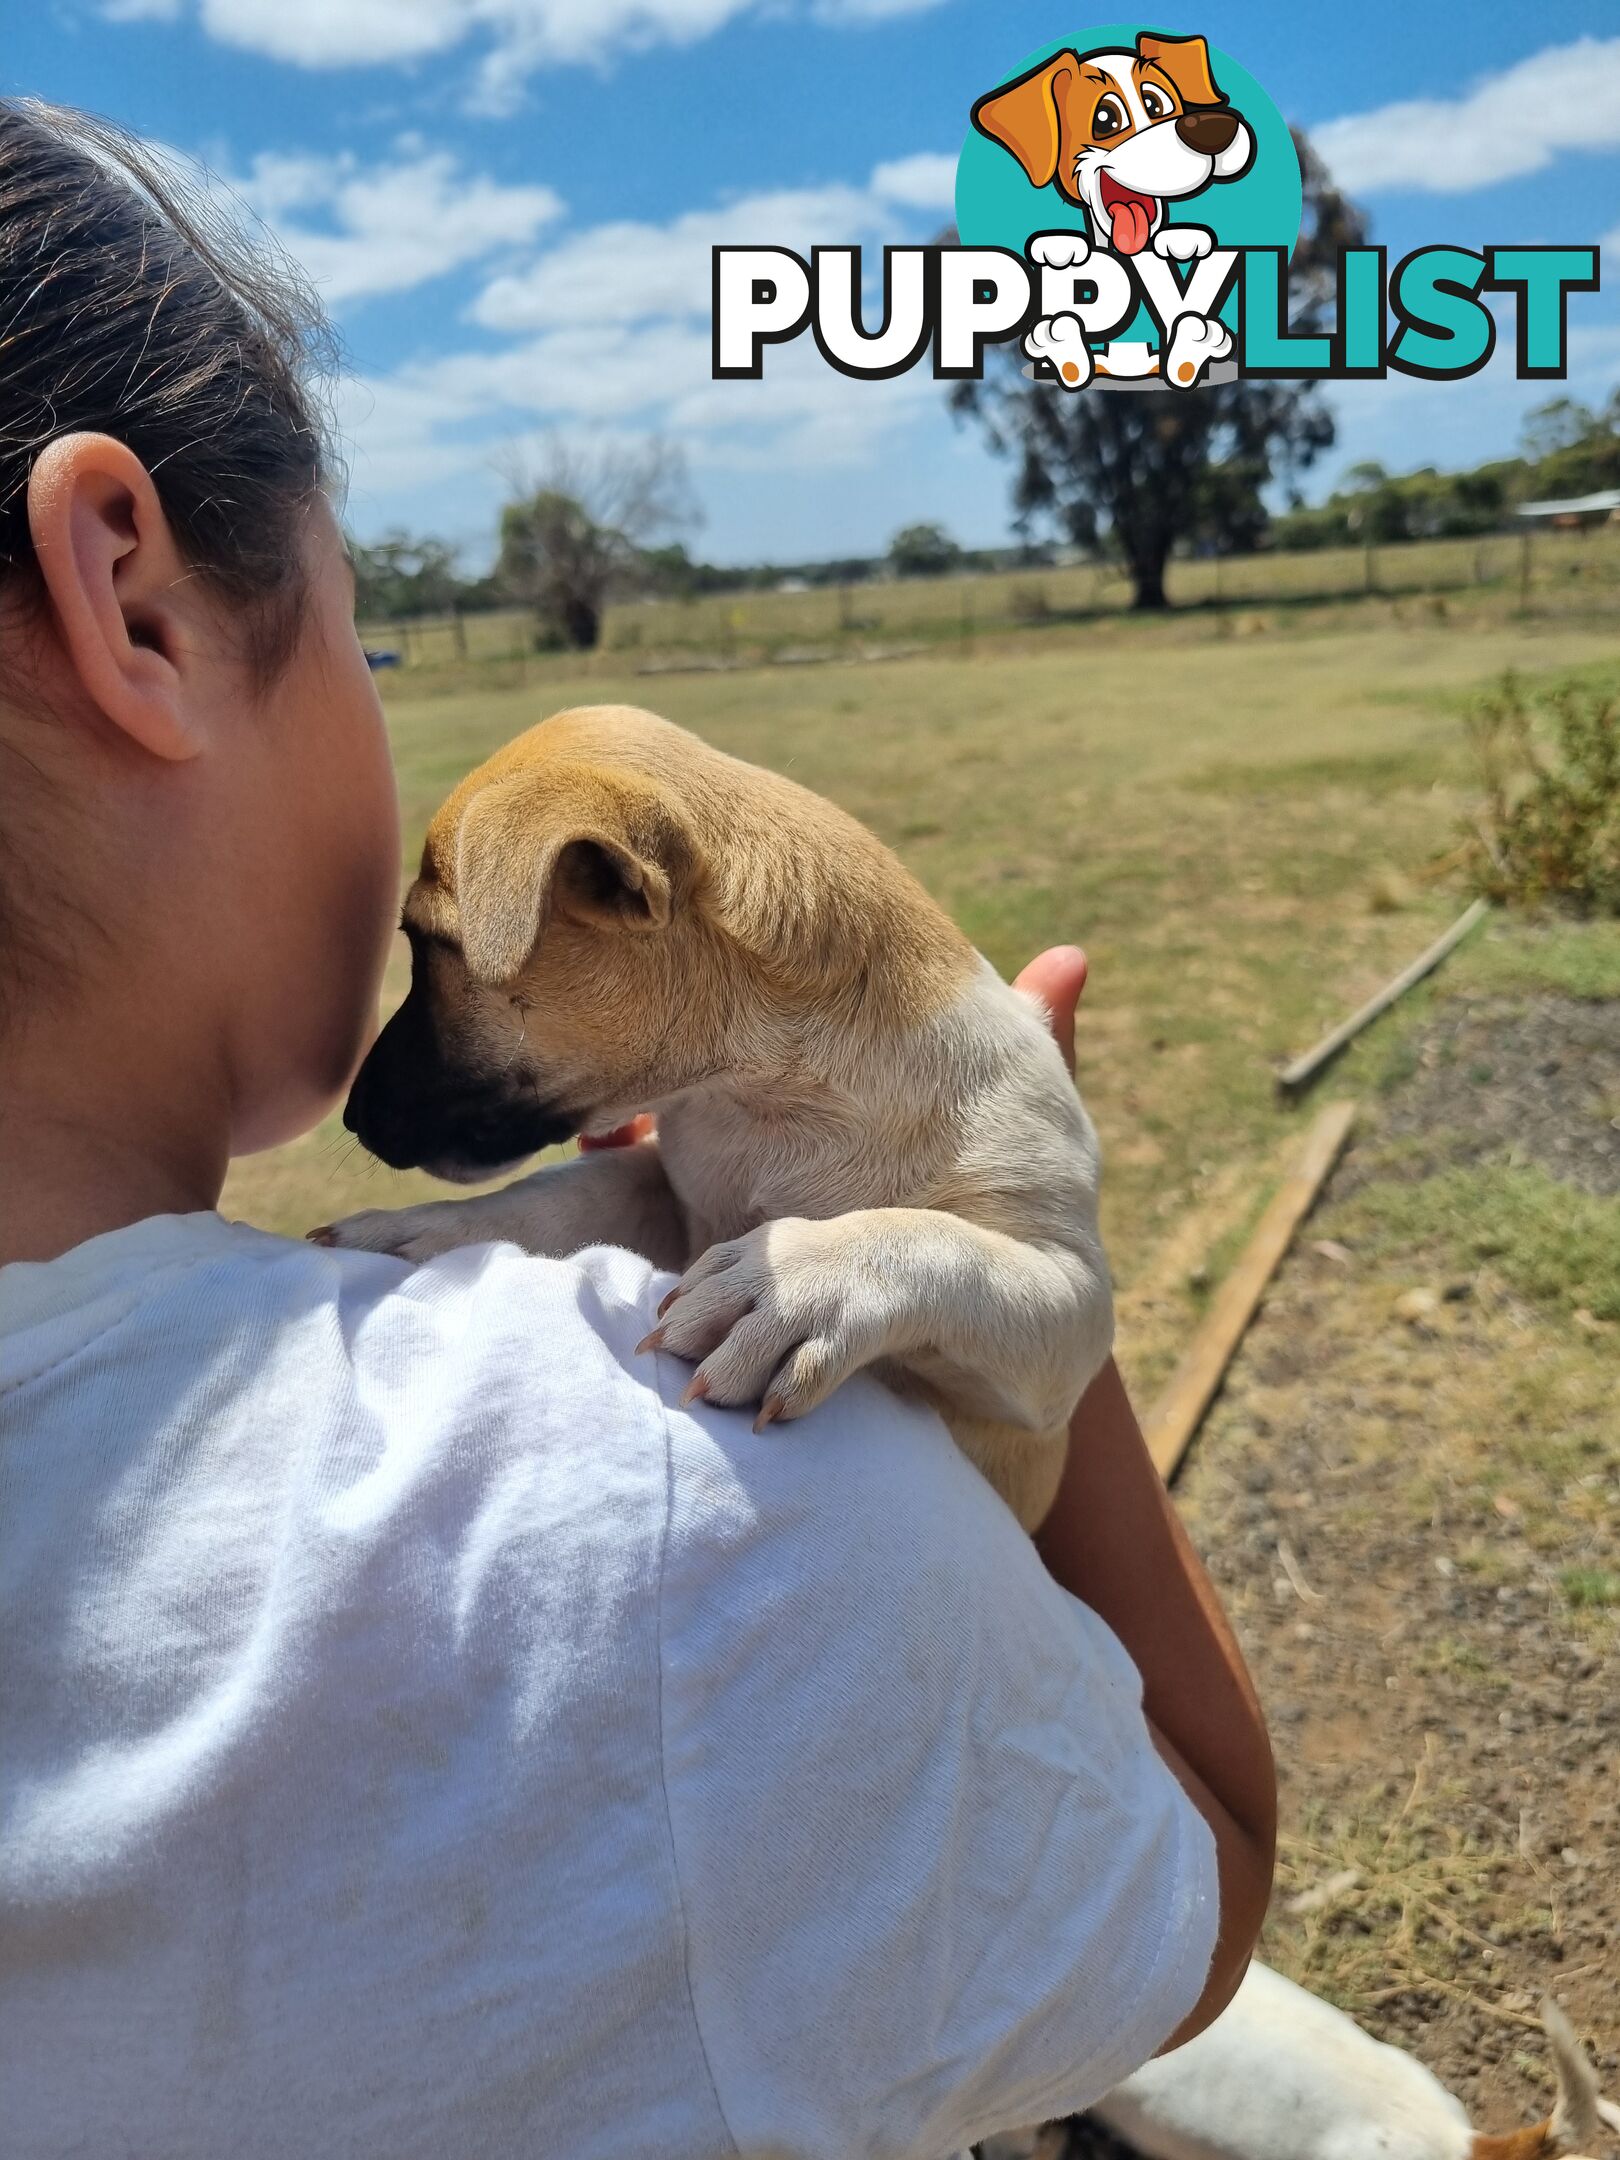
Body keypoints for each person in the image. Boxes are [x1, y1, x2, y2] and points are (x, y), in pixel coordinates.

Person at [0, 99, 1274, 2160]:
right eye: (364, 610)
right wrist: (1039, 1250)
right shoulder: (694, 1520)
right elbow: (1205, 1871)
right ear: (135, 602)